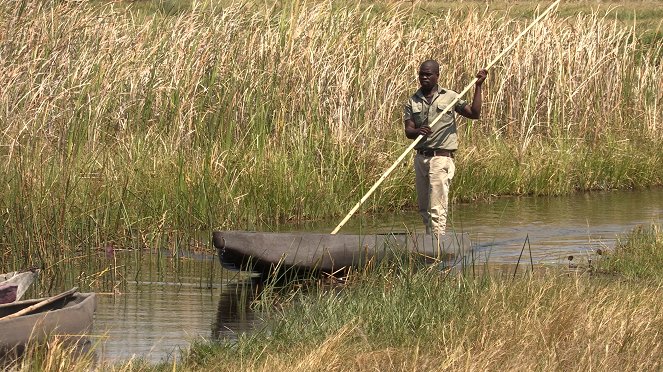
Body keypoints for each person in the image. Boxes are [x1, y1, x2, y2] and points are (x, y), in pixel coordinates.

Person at [404, 60, 487, 235]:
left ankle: (439, 244)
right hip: (421, 158)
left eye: (428, 74)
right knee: (424, 208)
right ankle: (430, 242)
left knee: (437, 208)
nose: (424, 77)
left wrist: (478, 86)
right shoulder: (413, 100)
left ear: (437, 76)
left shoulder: (450, 97)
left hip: (441, 158)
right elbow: (409, 131)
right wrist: (419, 131)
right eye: (422, 74)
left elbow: (474, 113)